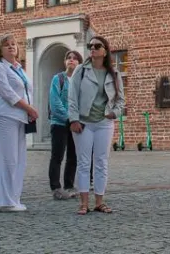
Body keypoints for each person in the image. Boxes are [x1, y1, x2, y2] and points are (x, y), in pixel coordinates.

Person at [69, 35, 125, 215]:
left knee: (101, 162)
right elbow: (72, 97)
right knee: (84, 163)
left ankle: (99, 202)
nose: (92, 48)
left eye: (97, 46)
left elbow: (121, 100)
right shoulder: (81, 70)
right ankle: (84, 203)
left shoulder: (114, 73)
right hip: (84, 123)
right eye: (90, 45)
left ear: (105, 50)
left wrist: (114, 113)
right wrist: (74, 119)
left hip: (104, 123)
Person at [0, 33, 38, 212]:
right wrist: (29, 108)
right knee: (7, 158)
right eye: (6, 45)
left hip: (21, 116)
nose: (11, 47)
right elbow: (8, 93)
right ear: (0, 50)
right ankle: (4, 201)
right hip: (6, 115)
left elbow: (27, 91)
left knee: (18, 159)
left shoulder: (19, 69)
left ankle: (14, 198)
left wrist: (29, 110)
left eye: (13, 44)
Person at [49, 50, 82, 200]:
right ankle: (56, 187)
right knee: (57, 156)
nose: (71, 60)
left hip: (75, 124)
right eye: (69, 58)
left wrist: (78, 119)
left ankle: (69, 185)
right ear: (64, 62)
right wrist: (70, 118)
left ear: (79, 63)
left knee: (73, 157)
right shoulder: (58, 79)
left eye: (75, 59)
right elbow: (55, 103)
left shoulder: (80, 81)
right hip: (60, 123)